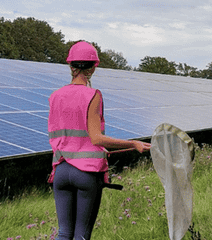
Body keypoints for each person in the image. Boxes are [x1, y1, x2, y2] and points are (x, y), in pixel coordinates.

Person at [48, 41, 151, 240]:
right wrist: (133, 144)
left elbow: (63, 136)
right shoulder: (92, 95)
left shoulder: (55, 96)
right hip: (85, 174)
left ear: (71, 66)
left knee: (63, 233)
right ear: (94, 67)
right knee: (81, 236)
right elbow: (96, 138)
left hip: (60, 172)